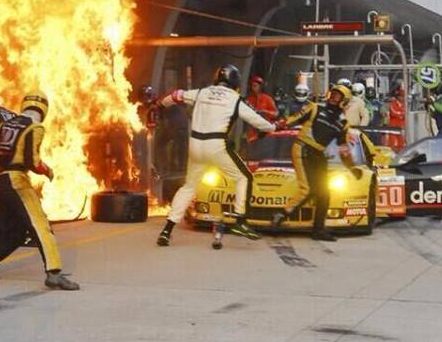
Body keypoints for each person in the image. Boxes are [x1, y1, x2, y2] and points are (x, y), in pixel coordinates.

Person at [0, 92, 79, 290]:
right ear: (43, 109)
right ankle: (54, 273)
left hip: (0, 181)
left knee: (15, 235)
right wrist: (48, 170)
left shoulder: (8, 123)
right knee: (41, 226)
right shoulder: (35, 127)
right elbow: (33, 161)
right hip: (17, 181)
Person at [155, 64, 277, 247]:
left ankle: (166, 230)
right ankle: (240, 219)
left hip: (195, 145)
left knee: (189, 187)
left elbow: (175, 95)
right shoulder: (235, 99)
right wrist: (273, 127)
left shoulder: (201, 93)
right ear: (235, 82)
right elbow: (257, 121)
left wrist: (159, 106)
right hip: (216, 145)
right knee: (244, 177)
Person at [270, 84, 362, 241]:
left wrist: (352, 168)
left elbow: (344, 150)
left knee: (324, 193)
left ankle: (318, 230)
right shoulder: (314, 108)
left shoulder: (343, 123)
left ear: (344, 101)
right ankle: (282, 214)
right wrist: (271, 127)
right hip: (303, 148)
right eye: (333, 94)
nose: (333, 98)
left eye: (338, 96)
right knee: (307, 189)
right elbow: (291, 120)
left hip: (319, 154)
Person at [244, 75, 278, 144]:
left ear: (261, 86)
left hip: (265, 132)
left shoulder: (267, 99)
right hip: (252, 133)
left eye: (255, 86)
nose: (253, 88)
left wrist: (265, 112)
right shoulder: (249, 99)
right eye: (252, 86)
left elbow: (275, 113)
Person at [386, 86, 406, 151]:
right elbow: (393, 113)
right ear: (398, 97)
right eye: (401, 96)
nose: (403, 98)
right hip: (393, 126)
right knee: (392, 142)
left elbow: (405, 114)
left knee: (401, 142)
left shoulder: (405, 105)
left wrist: (400, 114)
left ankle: (401, 152)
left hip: (401, 126)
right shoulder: (393, 103)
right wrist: (401, 114)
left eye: (403, 96)